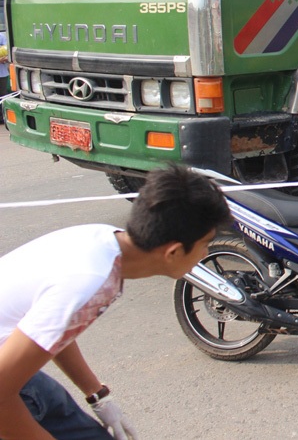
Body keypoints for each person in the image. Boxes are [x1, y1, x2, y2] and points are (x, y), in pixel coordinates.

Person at [0, 165, 232, 439]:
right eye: (206, 243)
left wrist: (97, 394)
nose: (206, 252)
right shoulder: (92, 281)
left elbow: (51, 327)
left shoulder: (102, 241)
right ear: (173, 251)